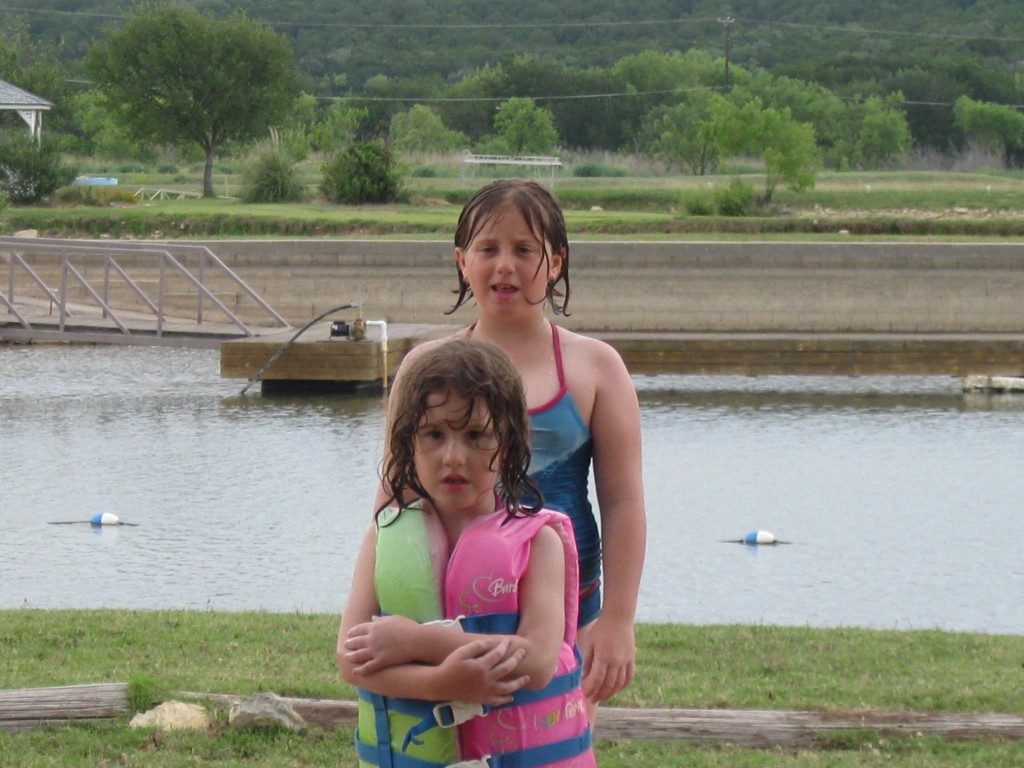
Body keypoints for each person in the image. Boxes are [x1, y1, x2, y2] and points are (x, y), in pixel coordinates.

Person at [378, 179, 647, 712]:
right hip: (444, 605)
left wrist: (617, 620)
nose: (506, 266)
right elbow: (394, 496)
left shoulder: (595, 368)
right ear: (461, 260)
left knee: (548, 748)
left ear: (556, 262)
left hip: (569, 608)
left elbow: (623, 502)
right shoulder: (423, 369)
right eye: (488, 249)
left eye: (525, 249)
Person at [338, 339, 595, 768]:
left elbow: (537, 660)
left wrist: (421, 641)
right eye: (434, 435)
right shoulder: (383, 539)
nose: (453, 457)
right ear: (408, 445)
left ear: (509, 446)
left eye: (476, 436)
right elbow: (352, 661)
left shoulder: (539, 542)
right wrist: (442, 682)